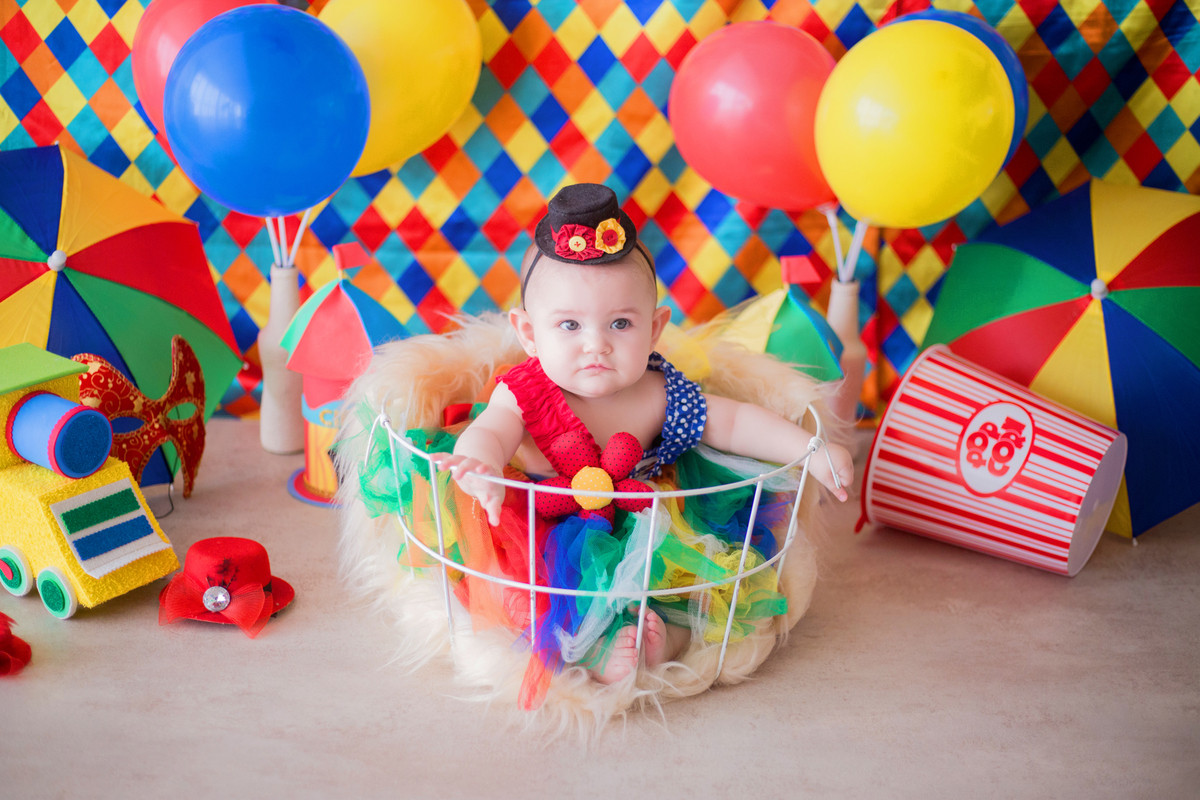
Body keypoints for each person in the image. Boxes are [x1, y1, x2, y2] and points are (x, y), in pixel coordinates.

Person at [430, 184, 854, 694]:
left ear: (654, 329)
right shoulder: (524, 391)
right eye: (568, 324)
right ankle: (595, 644)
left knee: (688, 578)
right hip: (546, 522)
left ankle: (670, 637)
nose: (596, 345)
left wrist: (813, 450)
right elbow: (490, 431)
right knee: (534, 593)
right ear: (528, 333)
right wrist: (481, 468)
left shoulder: (658, 391)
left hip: (644, 518)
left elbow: (735, 422)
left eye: (620, 324)